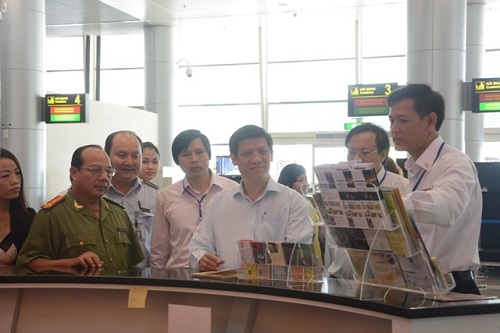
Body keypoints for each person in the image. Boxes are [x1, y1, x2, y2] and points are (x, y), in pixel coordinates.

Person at [387, 83, 482, 295]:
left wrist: (389, 205)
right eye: (392, 120)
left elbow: (448, 207)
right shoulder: (414, 167)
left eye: (403, 120)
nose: (394, 128)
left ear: (430, 121)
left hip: (454, 286)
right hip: (420, 281)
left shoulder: (454, 162)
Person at [189, 125, 313, 271]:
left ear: (271, 154)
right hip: (226, 289)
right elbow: (199, 246)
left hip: (275, 291)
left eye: (263, 151)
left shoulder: (293, 201)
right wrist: (202, 258)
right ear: (233, 159)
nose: (256, 159)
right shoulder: (218, 202)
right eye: (247, 153)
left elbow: (298, 255)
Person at [16, 145, 144, 270]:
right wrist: (71, 263)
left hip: (116, 291)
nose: (104, 177)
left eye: (109, 171)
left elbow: (132, 265)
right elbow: (28, 263)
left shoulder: (119, 214)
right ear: (74, 173)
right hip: (73, 291)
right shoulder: (52, 215)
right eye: (95, 170)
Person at [150, 129, 238, 269]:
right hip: (180, 278)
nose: (194, 159)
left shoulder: (233, 191)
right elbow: (158, 255)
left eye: (200, 152)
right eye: (186, 154)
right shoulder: (165, 197)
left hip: (225, 275)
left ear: (209, 154)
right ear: (177, 160)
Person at [104, 131, 159, 268]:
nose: (129, 162)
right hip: (103, 279)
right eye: (122, 155)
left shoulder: (156, 196)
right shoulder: (96, 193)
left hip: (144, 278)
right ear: (106, 155)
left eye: (135, 156)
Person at [277, 163, 325, 266]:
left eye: (306, 179)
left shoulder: (308, 201)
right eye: (300, 180)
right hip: (297, 259)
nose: (306, 183)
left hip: (313, 254)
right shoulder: (284, 205)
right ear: (288, 183)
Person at [345, 122, 409, 196]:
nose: (356, 159)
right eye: (351, 152)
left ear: (382, 155)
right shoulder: (341, 185)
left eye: (364, 152)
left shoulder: (405, 188)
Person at [0, 149, 36, 266]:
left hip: (15, 284)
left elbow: (32, 261)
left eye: (18, 173)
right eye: (5, 175)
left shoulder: (28, 218)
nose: (15, 181)